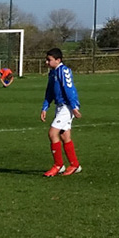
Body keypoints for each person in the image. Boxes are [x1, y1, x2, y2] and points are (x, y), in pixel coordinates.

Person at [40, 47, 81, 175]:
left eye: (49, 60)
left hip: (67, 106)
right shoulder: (52, 73)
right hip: (59, 107)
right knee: (64, 135)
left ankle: (58, 165)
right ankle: (75, 165)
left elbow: (70, 88)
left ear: (58, 60)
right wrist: (45, 107)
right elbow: (49, 91)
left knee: (52, 133)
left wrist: (74, 107)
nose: (46, 62)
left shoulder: (64, 71)